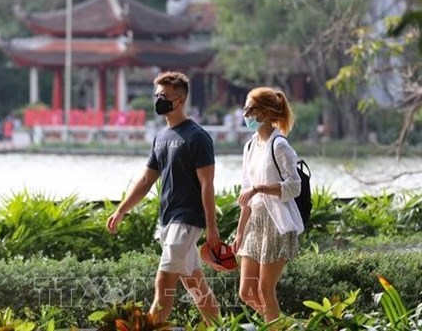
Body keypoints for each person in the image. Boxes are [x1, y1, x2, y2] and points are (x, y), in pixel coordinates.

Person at [106, 71, 221, 325]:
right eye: (156, 95)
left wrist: (212, 228)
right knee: (195, 285)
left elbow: (207, 184)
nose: (158, 100)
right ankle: (220, 327)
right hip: (168, 220)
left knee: (163, 281)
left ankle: (147, 329)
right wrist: (121, 210)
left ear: (179, 100)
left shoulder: (198, 137)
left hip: (187, 220)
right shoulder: (161, 137)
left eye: (164, 96)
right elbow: (146, 181)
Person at [232, 86, 304, 326]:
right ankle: (284, 325)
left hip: (276, 223)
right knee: (246, 291)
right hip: (254, 223)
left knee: (264, 289)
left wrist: (260, 188)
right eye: (244, 109)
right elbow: (246, 191)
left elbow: (295, 187)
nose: (245, 115)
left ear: (263, 112)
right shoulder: (250, 146)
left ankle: (275, 326)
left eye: (249, 109)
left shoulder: (280, 145)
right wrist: (240, 231)